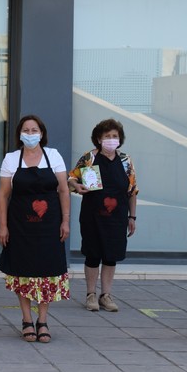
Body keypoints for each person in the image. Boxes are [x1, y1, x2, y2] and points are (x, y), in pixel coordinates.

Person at [0, 114, 70, 344]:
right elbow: (3, 194)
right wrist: (3, 226)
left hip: (50, 225)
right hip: (20, 226)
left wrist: (65, 221)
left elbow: (63, 190)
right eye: (26, 130)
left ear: (42, 133)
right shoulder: (11, 159)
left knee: (48, 271)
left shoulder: (54, 155)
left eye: (34, 130)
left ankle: (43, 320)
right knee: (23, 271)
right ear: (19, 134)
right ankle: (27, 319)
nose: (30, 134)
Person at [68, 118, 138, 313]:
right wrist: (76, 186)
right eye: (107, 136)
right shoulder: (89, 158)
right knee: (93, 254)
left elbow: (132, 190)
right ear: (99, 139)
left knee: (111, 256)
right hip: (92, 216)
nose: (111, 139)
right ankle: (91, 294)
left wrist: (132, 217)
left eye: (115, 136)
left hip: (117, 218)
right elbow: (71, 177)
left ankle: (106, 295)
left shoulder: (125, 160)